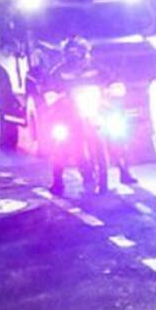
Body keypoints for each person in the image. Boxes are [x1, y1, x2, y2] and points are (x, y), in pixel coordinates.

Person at [46, 36, 109, 196]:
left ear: (85, 52)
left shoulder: (96, 68)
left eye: (78, 53)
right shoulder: (59, 71)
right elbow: (49, 88)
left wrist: (111, 89)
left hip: (92, 110)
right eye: (71, 53)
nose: (75, 57)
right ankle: (57, 181)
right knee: (60, 141)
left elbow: (110, 78)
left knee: (117, 133)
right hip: (68, 113)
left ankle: (123, 169)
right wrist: (54, 96)